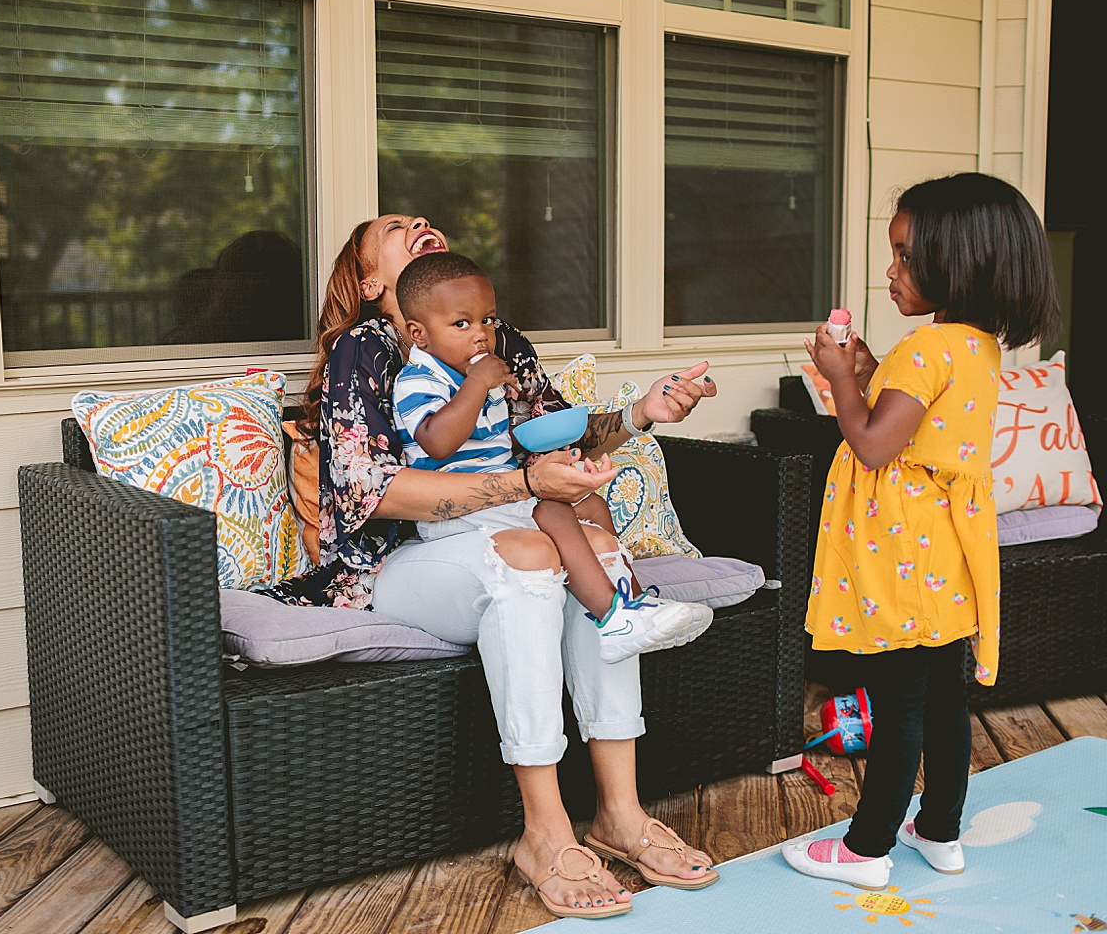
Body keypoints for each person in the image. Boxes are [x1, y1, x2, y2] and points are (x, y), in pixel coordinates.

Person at [266, 214, 721, 918]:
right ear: (374, 284)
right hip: (401, 563)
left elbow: (559, 432)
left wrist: (640, 412)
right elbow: (371, 491)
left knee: (596, 551)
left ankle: (621, 816)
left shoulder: (499, 342)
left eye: (422, 218)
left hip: (500, 525)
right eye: (394, 227)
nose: (419, 221)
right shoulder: (369, 349)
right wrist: (524, 488)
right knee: (529, 555)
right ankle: (544, 833)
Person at [782, 173, 1060, 889]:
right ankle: (939, 831)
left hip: (899, 552)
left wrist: (841, 379)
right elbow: (919, 426)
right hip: (945, 552)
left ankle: (867, 847)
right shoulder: (974, 347)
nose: (891, 271)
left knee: (896, 705)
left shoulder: (926, 350)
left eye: (905, 255)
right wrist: (870, 369)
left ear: (959, 260)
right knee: (943, 697)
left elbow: (875, 443)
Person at [389, 250, 712, 663]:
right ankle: (611, 617)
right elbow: (437, 442)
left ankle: (634, 600)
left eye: (487, 319)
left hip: (501, 501)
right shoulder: (419, 379)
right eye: (461, 323)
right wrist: (477, 384)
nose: (481, 334)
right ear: (418, 333)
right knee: (554, 510)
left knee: (592, 505)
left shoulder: (480, 374)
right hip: (457, 515)